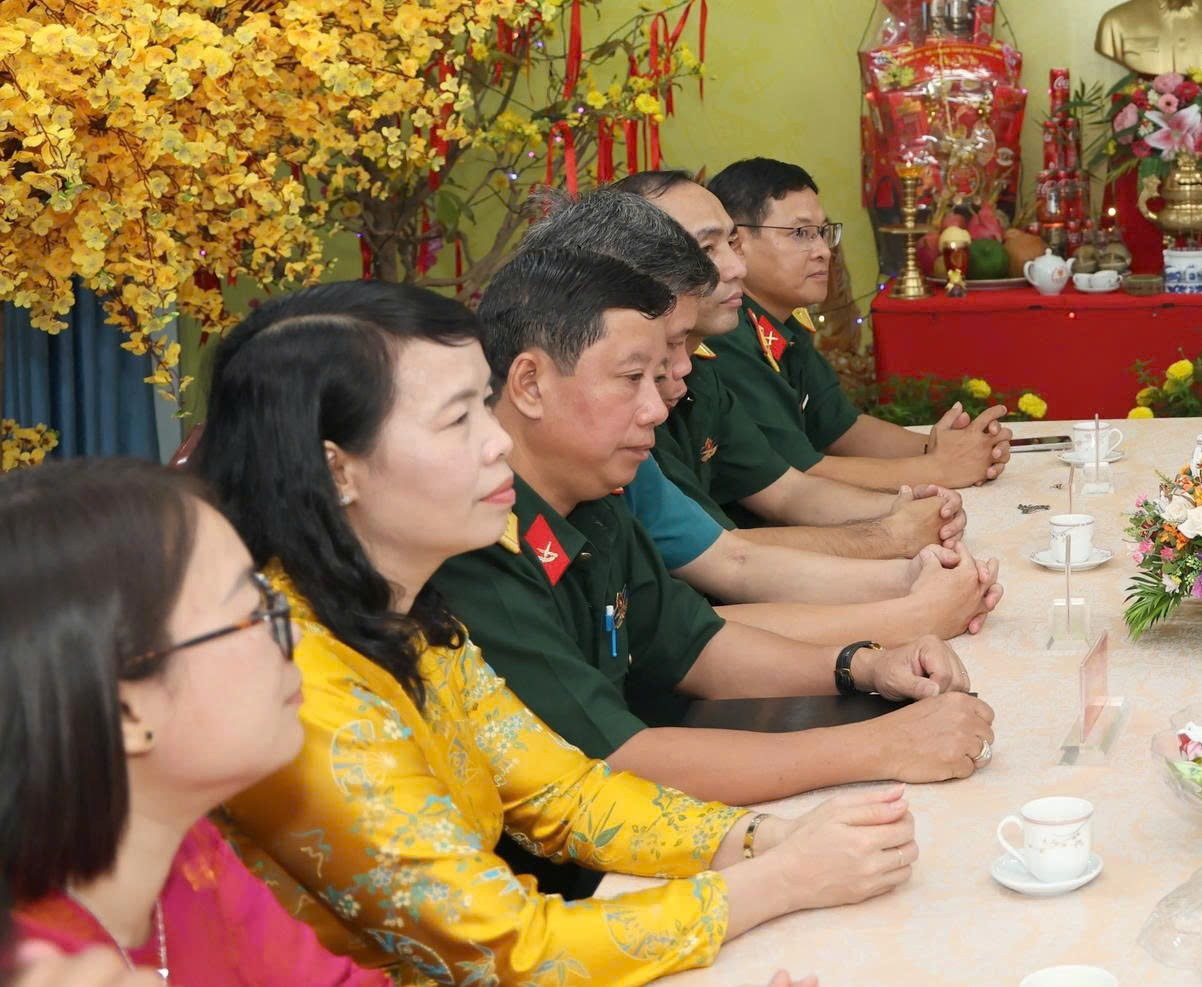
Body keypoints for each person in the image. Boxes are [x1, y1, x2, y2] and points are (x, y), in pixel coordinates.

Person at [189, 283, 922, 984]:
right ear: (337, 470)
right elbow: (510, 948)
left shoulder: (399, 612)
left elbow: (565, 792)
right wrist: (777, 881)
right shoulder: (294, 677)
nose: (497, 442)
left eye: (484, 407)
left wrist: (757, 839)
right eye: (456, 421)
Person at [431, 247, 997, 805]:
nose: (657, 407)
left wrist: (866, 664)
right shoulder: (477, 544)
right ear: (530, 384)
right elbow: (610, 762)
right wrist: (884, 746)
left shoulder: (591, 496)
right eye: (632, 378)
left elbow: (694, 643)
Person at [518, 187, 1000, 642]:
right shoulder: (501, 513)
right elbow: (686, 630)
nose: (734, 268)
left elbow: (729, 562)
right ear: (528, 382)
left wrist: (908, 572)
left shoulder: (661, 404)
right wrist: (903, 585)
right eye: (709, 247)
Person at [0, 459, 385, 984]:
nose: (292, 636)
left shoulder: (188, 852)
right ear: (127, 711)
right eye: (253, 613)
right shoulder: (34, 965)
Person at [615, 171, 969, 556]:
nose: (736, 268)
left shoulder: (703, 368)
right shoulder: (715, 350)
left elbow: (788, 485)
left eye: (730, 244)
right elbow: (720, 554)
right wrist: (910, 506)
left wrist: (906, 506)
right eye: (706, 249)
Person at [701, 158, 1011, 496]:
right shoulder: (726, 334)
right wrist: (939, 468)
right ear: (736, 242)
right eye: (801, 233)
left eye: (823, 232)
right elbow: (799, 474)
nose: (824, 251)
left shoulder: (783, 319)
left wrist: (941, 447)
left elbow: (842, 429)